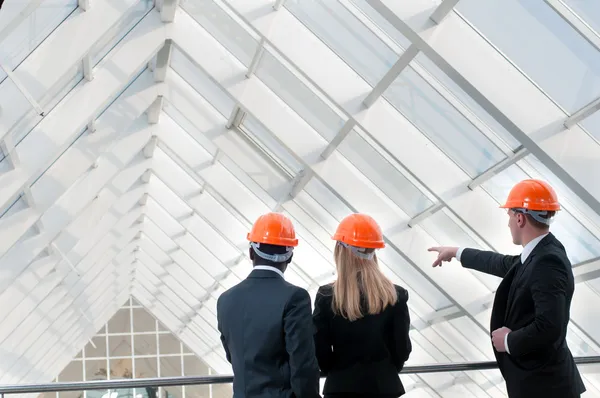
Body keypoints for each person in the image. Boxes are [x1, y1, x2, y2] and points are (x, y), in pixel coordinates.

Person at [428, 179, 585, 398]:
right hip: (540, 384)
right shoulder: (540, 253)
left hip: (546, 387)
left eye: (509, 216)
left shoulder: (548, 261)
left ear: (520, 218)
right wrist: (457, 252)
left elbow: (550, 327)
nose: (508, 223)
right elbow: (502, 264)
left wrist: (509, 341)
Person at [216, 212, 321, 398]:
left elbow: (233, 356)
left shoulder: (225, 300)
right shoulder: (295, 298)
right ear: (289, 257)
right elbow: (302, 363)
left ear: (250, 252)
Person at [313, 213, 412, 398]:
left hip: (340, 388)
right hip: (385, 388)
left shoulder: (327, 296)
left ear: (341, 250)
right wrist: (385, 370)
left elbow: (320, 351)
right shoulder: (395, 295)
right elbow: (402, 349)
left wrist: (336, 371)